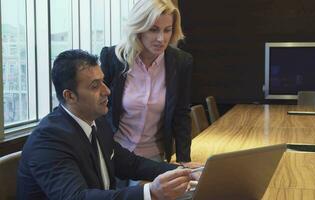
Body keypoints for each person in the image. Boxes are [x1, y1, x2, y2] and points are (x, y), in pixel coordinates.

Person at [16, 49, 197, 200]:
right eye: (95, 86)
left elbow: (131, 164)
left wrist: (185, 172)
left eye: (103, 81)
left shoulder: (98, 123)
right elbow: (77, 197)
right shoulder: (48, 140)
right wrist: (150, 192)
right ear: (69, 96)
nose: (107, 91)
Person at [100, 0, 193, 165]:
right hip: (114, 154)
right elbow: (98, 109)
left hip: (154, 157)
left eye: (167, 30)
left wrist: (183, 160)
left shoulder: (181, 62)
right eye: (153, 29)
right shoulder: (113, 58)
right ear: (138, 28)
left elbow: (181, 114)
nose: (161, 39)